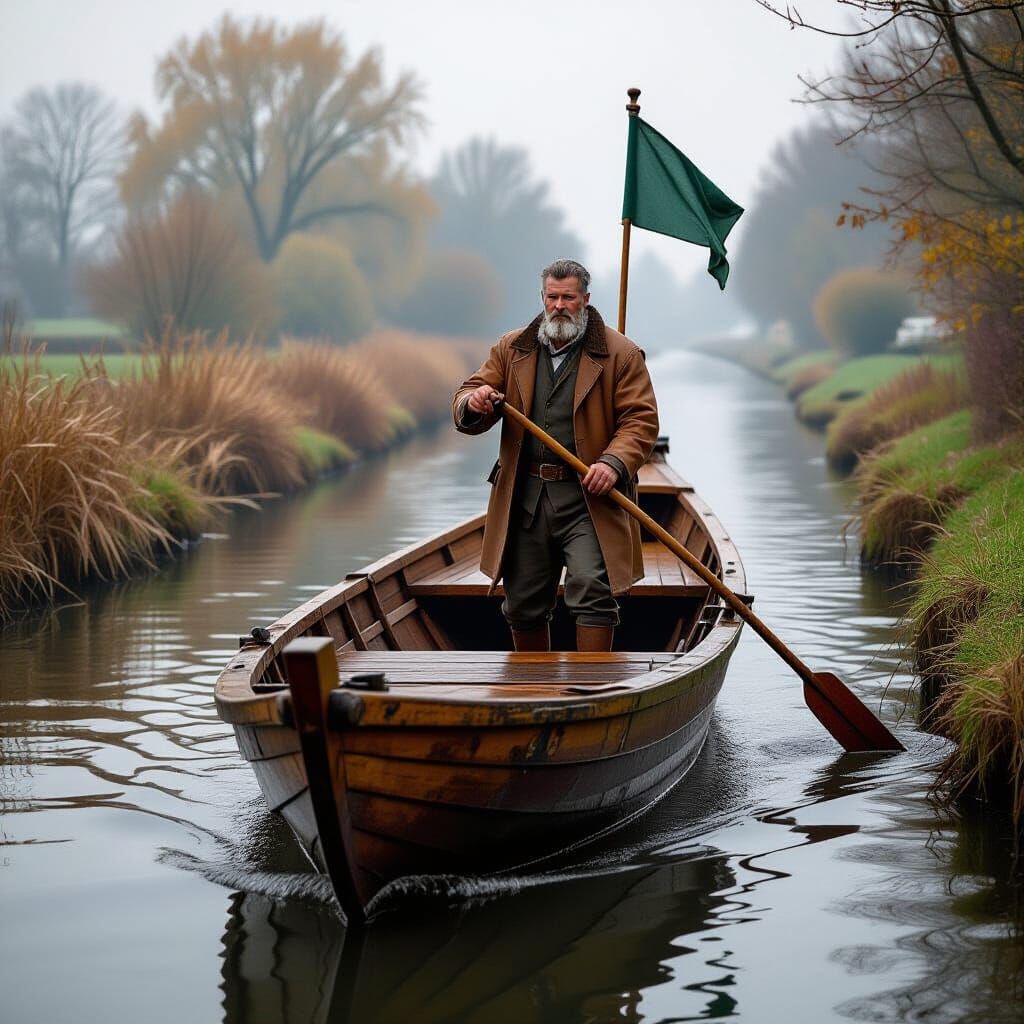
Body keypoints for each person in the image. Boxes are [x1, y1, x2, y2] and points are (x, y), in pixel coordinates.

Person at [451, 258, 659, 653]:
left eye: (568, 297)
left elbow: (641, 421)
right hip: (524, 498)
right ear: (543, 298)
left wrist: (612, 464)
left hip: (590, 500)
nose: (559, 305)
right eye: (552, 297)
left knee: (592, 592)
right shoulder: (512, 348)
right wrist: (474, 402)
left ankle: (594, 694)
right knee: (523, 602)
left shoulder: (622, 354)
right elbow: (467, 394)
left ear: (585, 299)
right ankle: (531, 693)